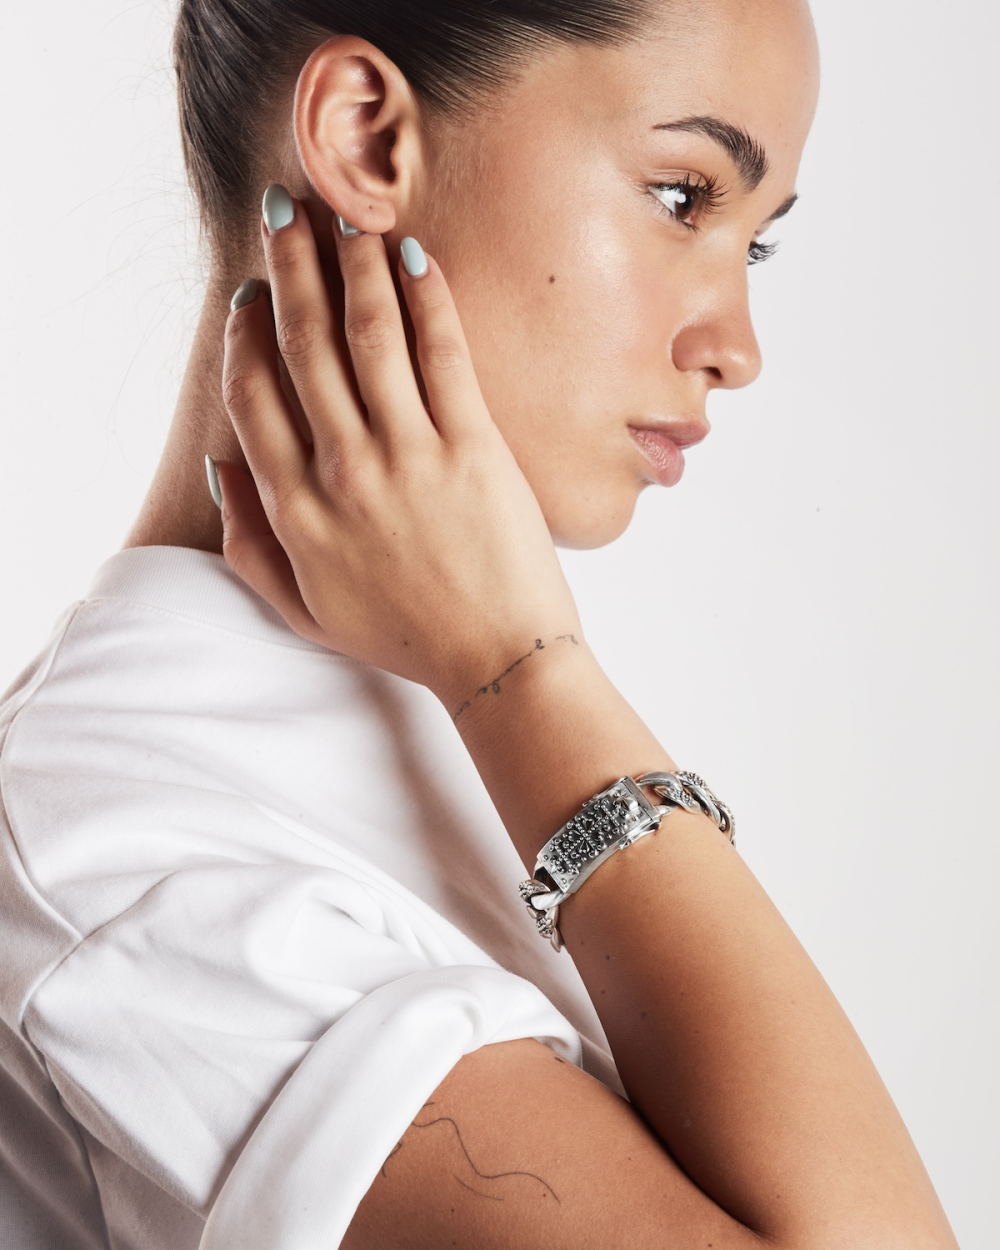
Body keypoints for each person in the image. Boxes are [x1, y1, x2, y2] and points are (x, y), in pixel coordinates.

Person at [0, 0, 960, 1246]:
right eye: (682, 195)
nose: (735, 346)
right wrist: (523, 669)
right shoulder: (124, 854)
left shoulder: (439, 727)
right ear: (366, 140)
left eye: (753, 245)